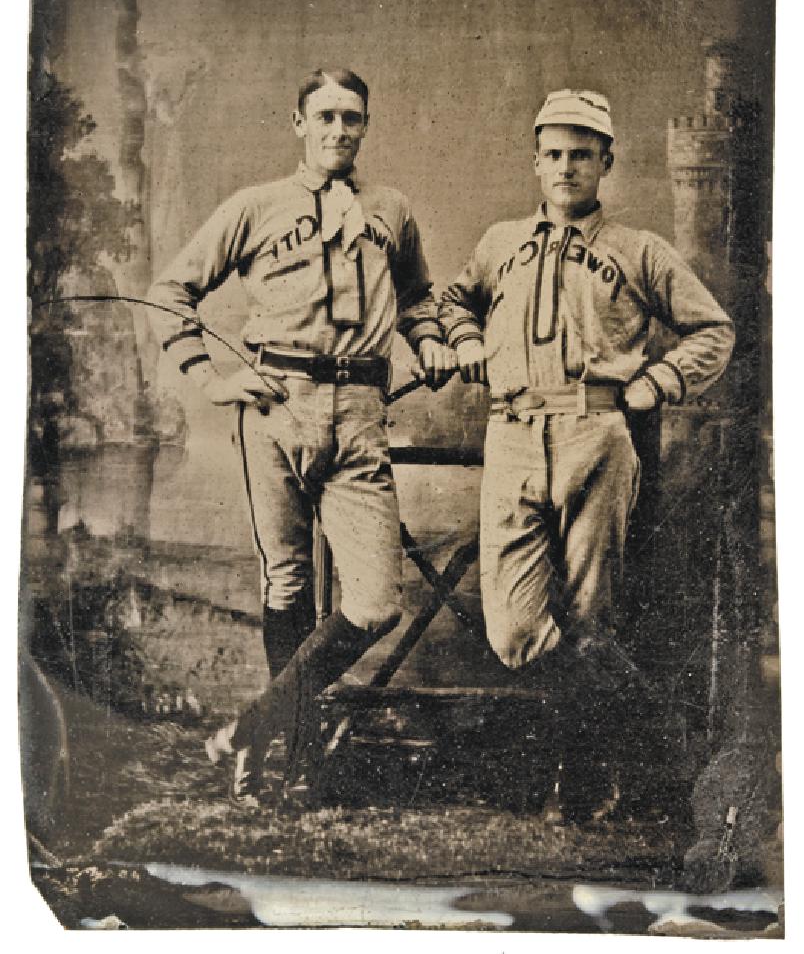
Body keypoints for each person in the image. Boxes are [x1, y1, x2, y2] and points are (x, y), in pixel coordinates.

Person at [147, 67, 455, 802]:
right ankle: (291, 765)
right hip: (277, 403)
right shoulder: (256, 206)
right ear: (298, 123)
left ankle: (252, 728)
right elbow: (171, 291)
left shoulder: (391, 209)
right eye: (324, 117)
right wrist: (212, 376)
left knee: (376, 601)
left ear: (365, 127)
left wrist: (433, 341)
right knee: (286, 582)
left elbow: (417, 299)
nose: (338, 131)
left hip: (361, 411)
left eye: (352, 118)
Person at [438, 89, 734, 821]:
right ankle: (659, 737)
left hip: (595, 435)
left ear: (607, 161)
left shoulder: (639, 249)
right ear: (536, 163)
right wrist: (467, 341)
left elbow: (714, 332)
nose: (567, 167)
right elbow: (450, 303)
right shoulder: (500, 241)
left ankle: (584, 782)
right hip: (510, 434)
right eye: (555, 154)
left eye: (582, 153)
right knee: (514, 631)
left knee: (591, 617)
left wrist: (657, 383)